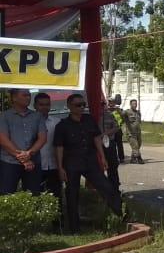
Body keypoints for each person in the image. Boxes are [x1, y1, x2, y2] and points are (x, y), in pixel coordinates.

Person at [53, 93, 123, 233]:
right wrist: (60, 167)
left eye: (83, 105)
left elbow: (96, 138)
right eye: (77, 105)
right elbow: (59, 147)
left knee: (107, 187)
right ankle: (74, 228)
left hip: (90, 161)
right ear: (69, 106)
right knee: (72, 195)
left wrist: (102, 157)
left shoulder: (89, 120)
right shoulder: (62, 125)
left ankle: (121, 216)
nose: (81, 108)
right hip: (72, 163)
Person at [0, 88, 47, 195]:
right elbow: (3, 140)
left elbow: (43, 138)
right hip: (9, 162)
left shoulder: (37, 116)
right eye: (25, 95)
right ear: (14, 98)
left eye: (29, 95)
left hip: (33, 162)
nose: (28, 97)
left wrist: (29, 153)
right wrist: (24, 159)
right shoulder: (4, 116)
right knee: (6, 195)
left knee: (34, 195)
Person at [33, 93, 62, 204]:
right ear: (35, 105)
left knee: (55, 198)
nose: (45, 107)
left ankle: (57, 221)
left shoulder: (57, 123)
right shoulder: (28, 123)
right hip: (35, 167)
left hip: (54, 166)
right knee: (35, 198)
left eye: (47, 104)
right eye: (41, 104)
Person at [101, 100, 121, 190]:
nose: (102, 106)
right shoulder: (93, 115)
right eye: (100, 105)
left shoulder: (110, 114)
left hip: (109, 143)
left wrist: (106, 133)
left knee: (112, 166)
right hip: (97, 145)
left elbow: (117, 127)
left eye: (103, 104)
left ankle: (115, 188)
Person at [125, 99, 144, 164]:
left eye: (136, 104)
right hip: (131, 133)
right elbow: (121, 114)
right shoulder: (127, 112)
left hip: (138, 132)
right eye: (133, 104)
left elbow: (139, 122)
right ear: (130, 104)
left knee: (138, 145)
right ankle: (139, 158)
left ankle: (133, 159)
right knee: (135, 146)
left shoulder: (138, 112)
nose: (135, 105)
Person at [110, 96, 126, 163]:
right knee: (111, 145)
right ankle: (112, 158)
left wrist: (117, 112)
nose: (110, 104)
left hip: (117, 130)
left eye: (111, 102)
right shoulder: (106, 110)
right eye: (109, 102)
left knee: (119, 145)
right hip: (109, 131)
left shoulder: (117, 110)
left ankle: (121, 158)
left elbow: (121, 121)